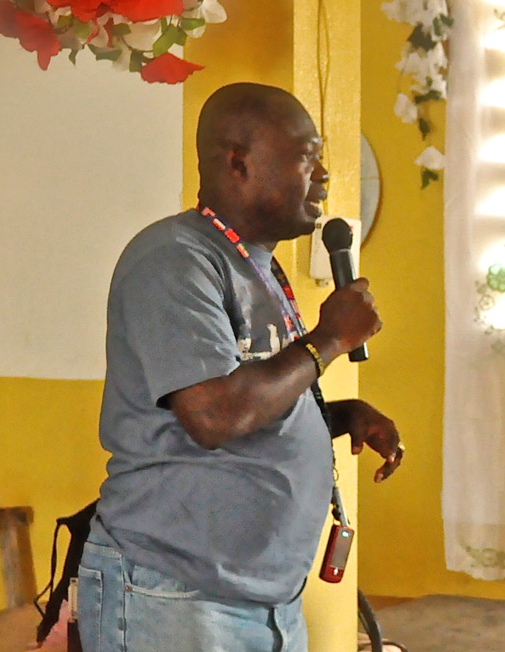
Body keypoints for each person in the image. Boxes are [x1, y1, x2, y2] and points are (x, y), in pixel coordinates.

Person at [77, 82, 404, 651]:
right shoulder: (175, 260)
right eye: (307, 155)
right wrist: (328, 339)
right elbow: (214, 415)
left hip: (260, 596)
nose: (324, 174)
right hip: (173, 594)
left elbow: (248, 389)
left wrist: (329, 416)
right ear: (238, 162)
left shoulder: (253, 265)